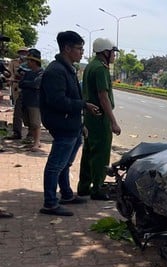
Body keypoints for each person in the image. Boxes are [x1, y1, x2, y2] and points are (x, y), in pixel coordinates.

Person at [39, 30, 101, 216]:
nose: (82, 52)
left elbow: (71, 98)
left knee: (65, 163)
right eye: (79, 49)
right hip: (62, 125)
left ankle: (66, 194)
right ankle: (50, 202)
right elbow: (57, 101)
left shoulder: (68, 69)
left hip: (72, 125)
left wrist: (80, 124)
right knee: (55, 165)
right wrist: (84, 105)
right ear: (67, 48)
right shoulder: (56, 71)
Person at [78, 38, 121, 200]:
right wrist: (113, 122)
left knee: (88, 151)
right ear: (105, 52)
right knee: (101, 153)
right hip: (100, 117)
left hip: (90, 116)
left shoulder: (90, 66)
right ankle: (97, 188)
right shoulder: (101, 69)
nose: (114, 56)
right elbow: (104, 97)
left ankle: (83, 186)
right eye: (113, 53)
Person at [18, 48, 44, 151]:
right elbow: (21, 83)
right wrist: (28, 84)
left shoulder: (41, 73)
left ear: (34, 61)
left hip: (35, 101)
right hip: (26, 100)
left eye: (29, 60)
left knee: (35, 123)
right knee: (28, 122)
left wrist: (27, 84)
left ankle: (37, 143)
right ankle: (33, 141)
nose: (27, 62)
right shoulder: (28, 73)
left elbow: (36, 84)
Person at [4, 47, 29, 140]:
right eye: (21, 52)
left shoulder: (31, 63)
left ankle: (31, 135)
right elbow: (9, 74)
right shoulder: (13, 62)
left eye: (25, 52)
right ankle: (17, 133)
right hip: (17, 90)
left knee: (30, 112)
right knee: (18, 112)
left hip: (29, 91)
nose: (23, 54)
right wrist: (9, 79)